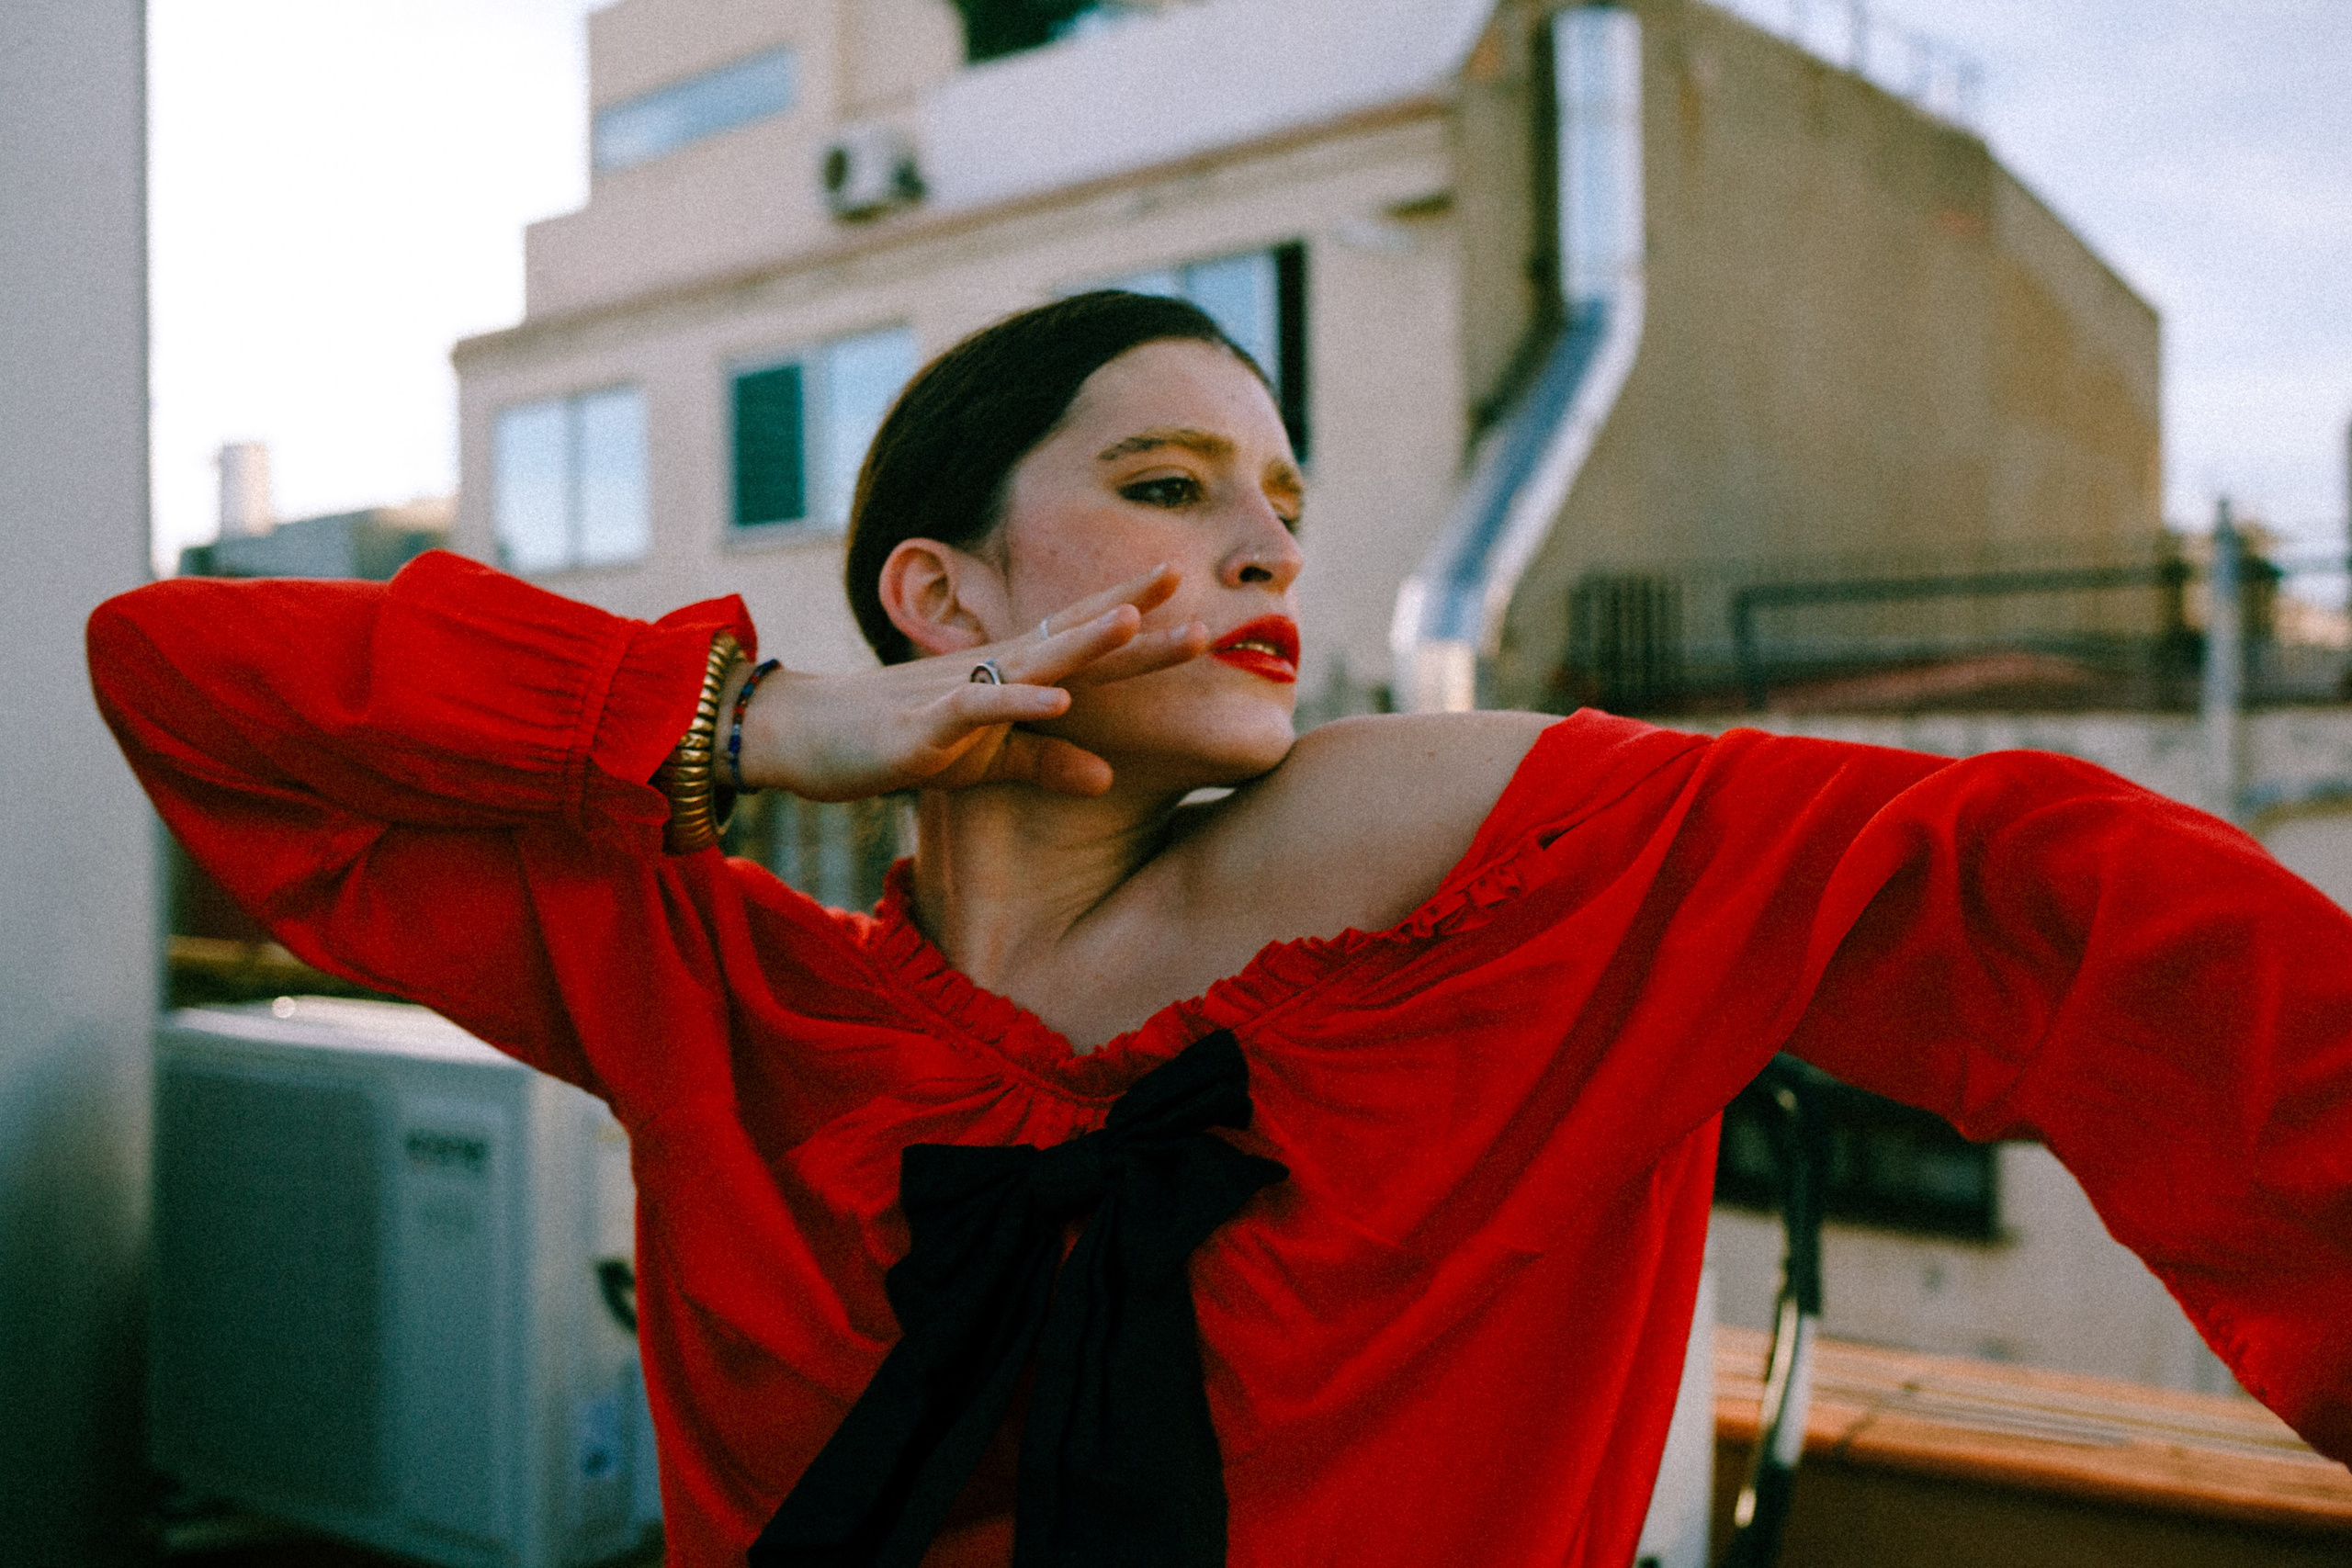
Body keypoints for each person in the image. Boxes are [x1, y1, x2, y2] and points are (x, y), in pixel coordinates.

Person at [91, 292, 2351, 1568]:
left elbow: (2047, 892)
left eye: (1286, 503)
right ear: (936, 595)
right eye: (1170, 488)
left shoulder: (1528, 895)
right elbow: (177, 677)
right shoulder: (723, 990)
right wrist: (762, 721)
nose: (1267, 547)